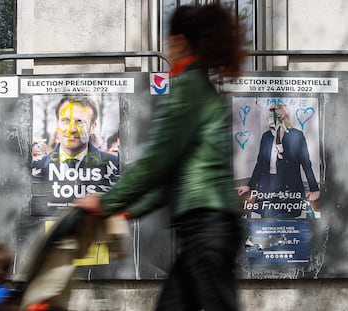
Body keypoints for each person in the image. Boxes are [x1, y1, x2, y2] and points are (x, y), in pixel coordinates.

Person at [76, 4, 246, 311]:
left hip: (206, 229)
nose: (167, 51)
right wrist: (125, 212)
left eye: (168, 43)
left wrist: (106, 203)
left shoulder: (188, 90)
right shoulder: (200, 88)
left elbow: (156, 162)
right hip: (207, 229)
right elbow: (171, 178)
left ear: (179, 41)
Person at [31, 95, 120, 216]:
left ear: (93, 127)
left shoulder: (116, 166)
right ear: (57, 124)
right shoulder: (35, 169)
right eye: (65, 121)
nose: (71, 129)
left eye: (80, 122)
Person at [237, 104, 320, 218]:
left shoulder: (297, 136)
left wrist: (314, 189)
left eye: (280, 116)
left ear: (287, 118)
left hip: (290, 189)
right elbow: (260, 163)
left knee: (289, 226)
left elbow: (306, 164)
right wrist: (250, 186)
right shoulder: (266, 136)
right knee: (267, 225)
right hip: (268, 189)